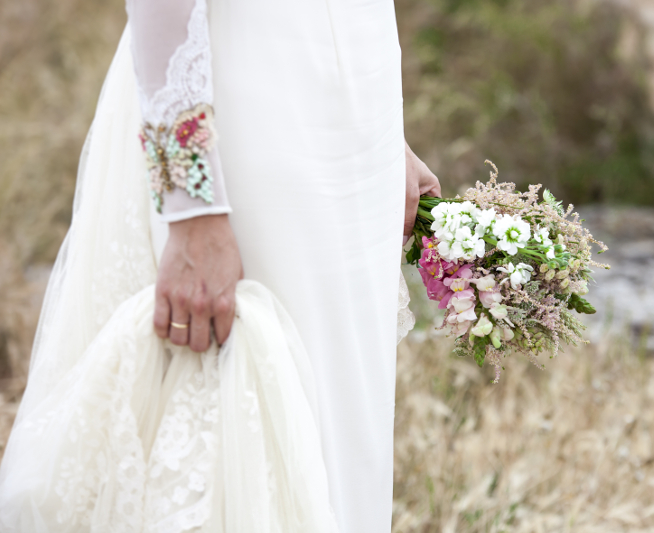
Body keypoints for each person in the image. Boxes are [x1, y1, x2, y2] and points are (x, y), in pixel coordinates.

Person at [0, 0, 440, 531]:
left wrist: (388, 138)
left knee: (339, 428)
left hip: (349, 123)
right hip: (253, 114)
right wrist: (193, 208)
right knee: (245, 434)